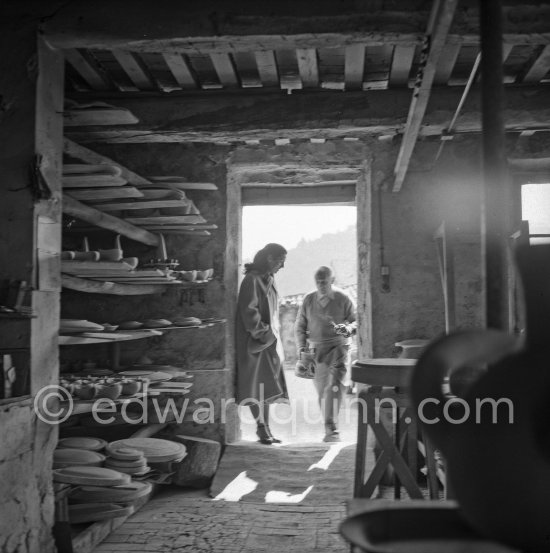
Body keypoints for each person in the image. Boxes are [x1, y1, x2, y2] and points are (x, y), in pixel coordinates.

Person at [295, 266, 357, 442]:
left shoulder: (343, 298)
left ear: (332, 281)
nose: (321, 285)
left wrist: (348, 328)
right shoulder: (309, 299)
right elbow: (300, 326)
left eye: (325, 282)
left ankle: (332, 428)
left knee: (335, 386)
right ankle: (328, 424)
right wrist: (301, 349)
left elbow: (356, 320)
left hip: (339, 348)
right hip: (317, 351)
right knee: (322, 391)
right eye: (318, 282)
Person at [236, 243, 288, 445]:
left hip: (269, 343)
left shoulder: (270, 279)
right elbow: (249, 312)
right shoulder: (251, 280)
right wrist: (263, 334)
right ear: (269, 258)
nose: (282, 266)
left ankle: (266, 428)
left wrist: (272, 337)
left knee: (266, 386)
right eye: (280, 261)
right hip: (255, 342)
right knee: (256, 386)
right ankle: (261, 428)